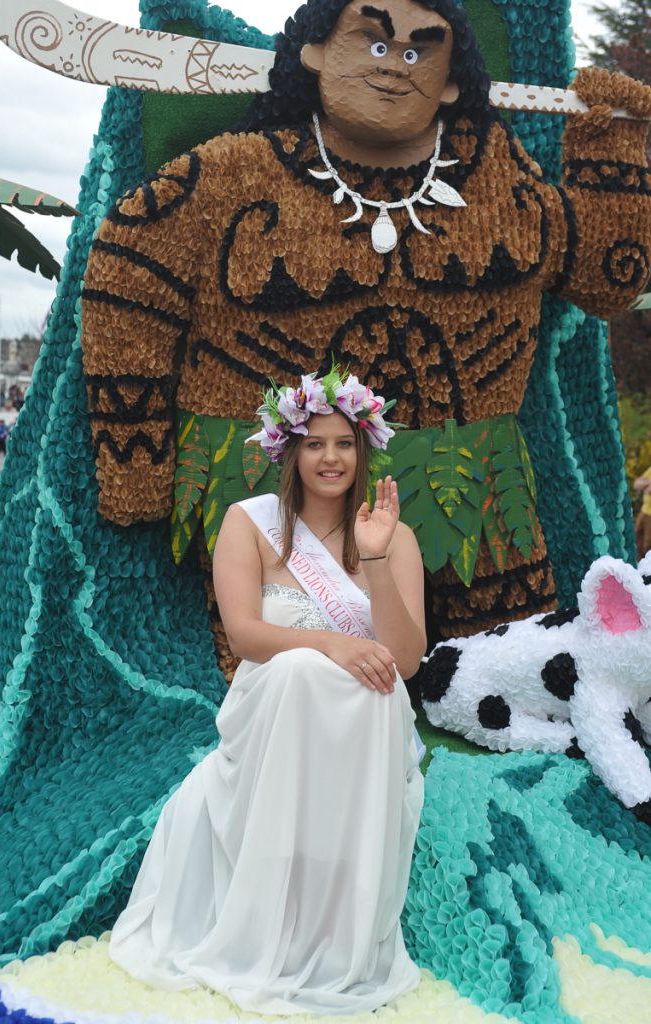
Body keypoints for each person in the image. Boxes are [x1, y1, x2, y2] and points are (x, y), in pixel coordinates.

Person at [81, 0, 651, 650]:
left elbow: (609, 278)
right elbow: (128, 270)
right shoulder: (231, 174)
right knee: (284, 670)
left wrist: (613, 143)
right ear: (315, 52)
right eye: (375, 43)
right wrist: (135, 460)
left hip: (474, 494)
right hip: (280, 498)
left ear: (451, 83)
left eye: (418, 51)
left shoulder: (498, 172)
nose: (395, 65)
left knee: (509, 665)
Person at [107, 368, 426, 1015]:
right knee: (298, 669)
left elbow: (406, 660)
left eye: (344, 443)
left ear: (363, 450)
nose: (331, 457)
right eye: (316, 444)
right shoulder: (248, 524)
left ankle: (335, 944)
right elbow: (246, 636)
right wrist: (332, 644)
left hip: (363, 726)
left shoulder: (394, 539)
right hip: (274, 712)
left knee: (369, 686)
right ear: (291, 452)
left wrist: (372, 558)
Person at [634, 464, 651, 560]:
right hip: (644, 511)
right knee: (636, 539)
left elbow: (649, 490)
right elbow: (636, 484)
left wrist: (645, 484)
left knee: (647, 546)